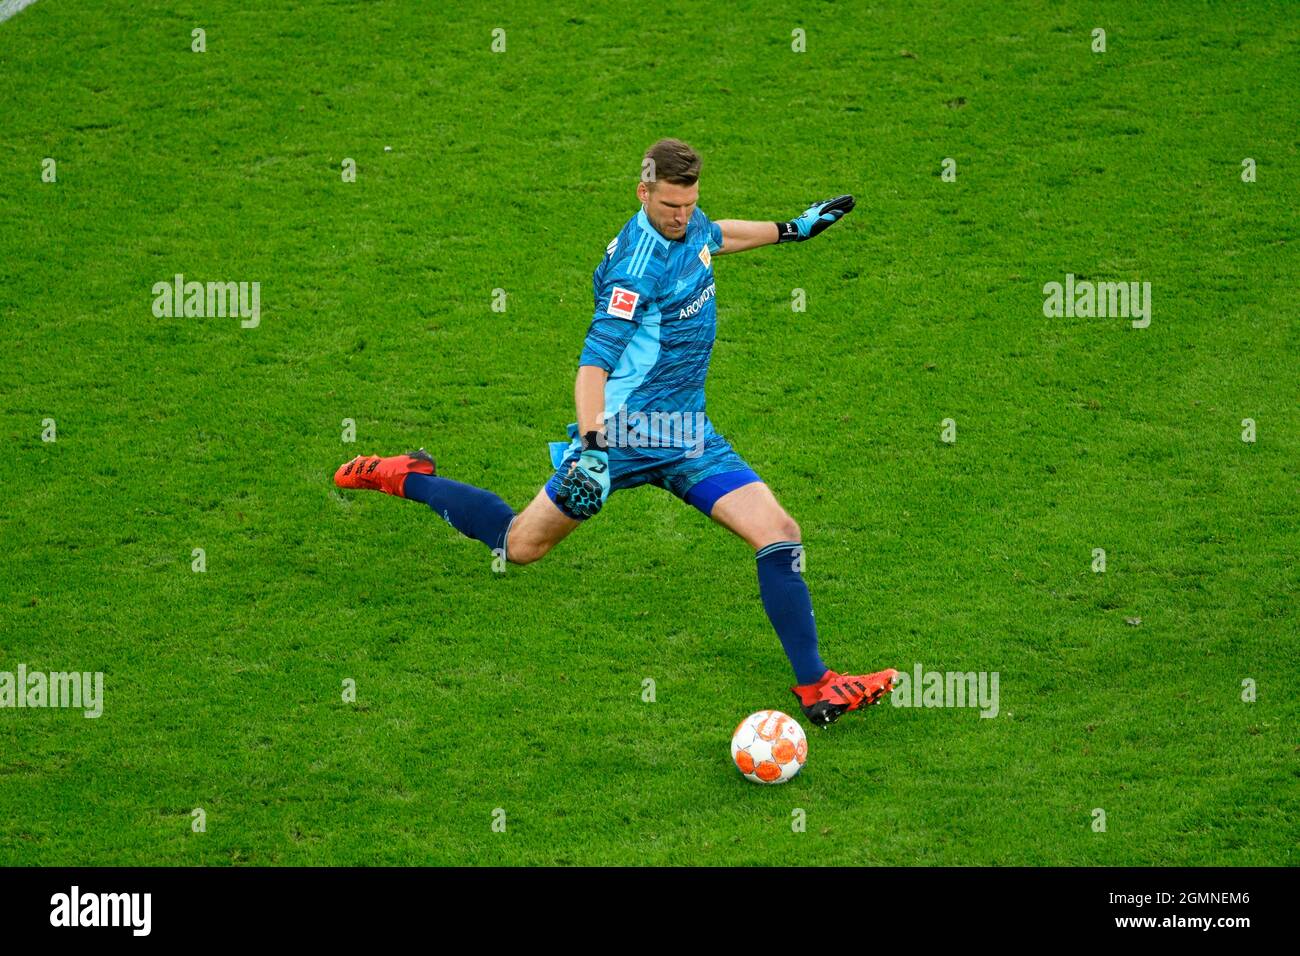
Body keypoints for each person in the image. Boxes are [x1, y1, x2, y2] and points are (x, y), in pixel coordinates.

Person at [335, 138, 898, 726]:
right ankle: (408, 477)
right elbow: (591, 370)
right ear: (643, 192)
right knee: (519, 546)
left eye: (690, 203)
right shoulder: (634, 273)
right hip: (622, 437)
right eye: (671, 207)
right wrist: (596, 452)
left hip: (686, 433)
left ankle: (818, 687)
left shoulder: (688, 224)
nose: (682, 217)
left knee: (779, 532)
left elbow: (715, 237)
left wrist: (791, 229)